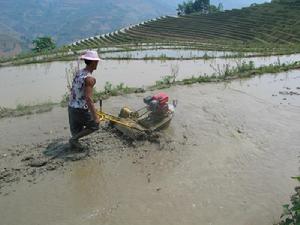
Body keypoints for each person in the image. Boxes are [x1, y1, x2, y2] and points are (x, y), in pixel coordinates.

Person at [68, 50, 101, 150]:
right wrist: (95, 117)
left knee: (77, 130)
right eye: (97, 61)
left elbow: (76, 89)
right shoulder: (89, 79)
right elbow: (88, 98)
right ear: (94, 62)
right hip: (80, 109)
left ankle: (74, 141)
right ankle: (74, 139)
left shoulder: (79, 72)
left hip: (71, 106)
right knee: (95, 125)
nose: (97, 63)